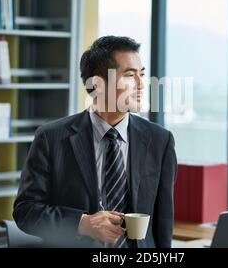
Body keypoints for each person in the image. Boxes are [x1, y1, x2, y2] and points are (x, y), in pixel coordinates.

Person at [13, 36, 178, 247]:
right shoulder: (51, 138)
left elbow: (163, 222)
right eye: (129, 75)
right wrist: (83, 223)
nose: (141, 84)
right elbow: (25, 211)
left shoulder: (160, 140)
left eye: (142, 74)